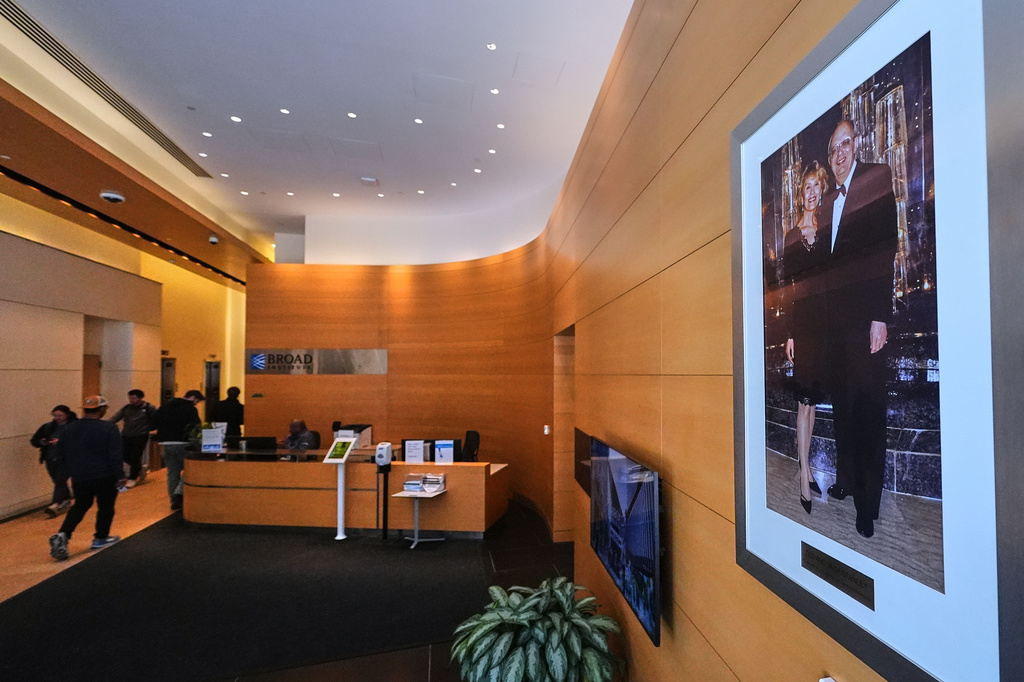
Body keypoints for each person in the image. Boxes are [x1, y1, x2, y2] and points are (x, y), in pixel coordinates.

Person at [816, 120, 899, 539]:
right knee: (844, 410)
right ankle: (848, 479)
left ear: (856, 145)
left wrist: (880, 315)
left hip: (866, 321)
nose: (839, 153)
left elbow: (887, 246)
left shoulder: (876, 177)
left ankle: (868, 505)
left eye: (845, 144)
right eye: (833, 149)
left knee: (868, 415)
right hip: (834, 328)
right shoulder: (826, 200)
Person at [783, 161, 830, 514]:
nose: (811, 192)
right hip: (803, 326)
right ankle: (803, 476)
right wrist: (789, 333)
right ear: (800, 193)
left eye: (816, 186)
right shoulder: (790, 235)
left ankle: (808, 465)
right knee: (802, 402)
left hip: (824, 325)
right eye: (807, 186)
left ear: (821, 189)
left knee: (812, 401)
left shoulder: (829, 224)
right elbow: (788, 288)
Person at [48, 396, 124, 561]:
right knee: (106, 506)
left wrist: (70, 469)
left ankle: (63, 534)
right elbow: (115, 455)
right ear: (102, 409)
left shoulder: (70, 427)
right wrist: (120, 476)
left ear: (85, 409)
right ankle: (100, 538)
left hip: (80, 475)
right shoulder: (109, 428)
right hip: (105, 475)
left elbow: (59, 451)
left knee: (80, 505)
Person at [153, 389, 204, 511]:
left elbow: (153, 423)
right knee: (190, 469)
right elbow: (195, 428)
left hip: (165, 443)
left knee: (172, 473)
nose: (196, 404)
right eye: (197, 401)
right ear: (193, 398)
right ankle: (178, 494)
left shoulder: (164, 407)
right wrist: (199, 443)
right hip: (183, 443)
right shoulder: (190, 409)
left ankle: (173, 502)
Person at [30, 405, 77, 517]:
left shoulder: (74, 426)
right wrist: (43, 442)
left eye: (60, 415)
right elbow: (34, 440)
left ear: (67, 414)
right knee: (57, 480)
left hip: (66, 459)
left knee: (60, 479)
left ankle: (55, 504)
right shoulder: (48, 427)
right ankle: (65, 498)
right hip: (50, 457)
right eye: (55, 415)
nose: (58, 418)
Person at [108, 389, 156, 488]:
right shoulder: (127, 408)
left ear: (140, 398)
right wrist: (105, 424)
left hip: (141, 435)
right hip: (126, 435)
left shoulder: (149, 408)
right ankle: (138, 468)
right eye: (130, 398)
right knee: (123, 455)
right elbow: (116, 417)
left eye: (133, 398)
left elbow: (156, 419)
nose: (131, 400)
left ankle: (133, 477)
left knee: (135, 455)